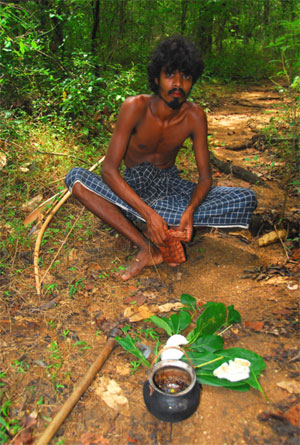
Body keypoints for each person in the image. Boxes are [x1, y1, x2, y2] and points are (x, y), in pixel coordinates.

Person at [65, 36, 257, 280]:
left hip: (170, 189)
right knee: (77, 180)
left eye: (186, 77)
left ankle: (168, 225)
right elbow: (109, 171)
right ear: (156, 78)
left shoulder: (195, 116)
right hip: (133, 190)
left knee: (246, 197)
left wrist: (189, 210)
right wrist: (149, 214)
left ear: (193, 82)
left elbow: (206, 178)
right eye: (170, 75)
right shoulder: (134, 107)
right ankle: (147, 245)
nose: (178, 83)